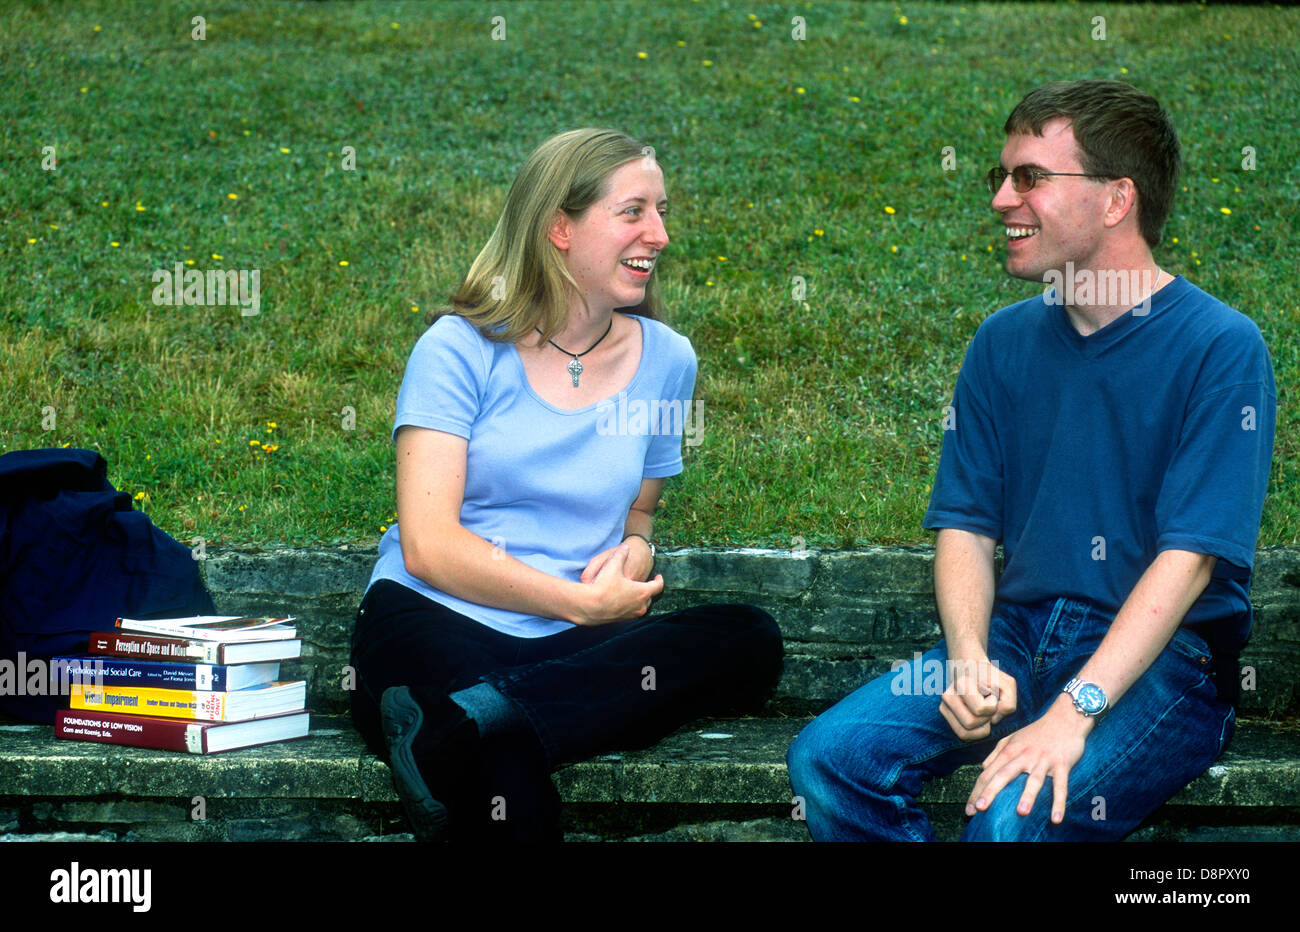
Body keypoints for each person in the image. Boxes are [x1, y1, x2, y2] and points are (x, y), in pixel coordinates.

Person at [787, 80, 1276, 841]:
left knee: (1010, 820)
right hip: (1016, 636)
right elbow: (966, 525)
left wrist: (1074, 711)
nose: (1001, 200)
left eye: (1031, 178)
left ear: (1116, 199)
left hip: (1165, 667)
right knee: (833, 759)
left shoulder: (1219, 347)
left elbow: (1191, 559)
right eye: (1001, 176)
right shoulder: (1002, 344)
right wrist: (970, 657)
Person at [349, 128, 783, 841]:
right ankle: (473, 719)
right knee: (506, 787)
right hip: (437, 622)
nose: (661, 234)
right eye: (634, 211)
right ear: (559, 227)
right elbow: (428, 547)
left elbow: (640, 512)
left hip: (568, 644)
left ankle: (466, 717)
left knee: (747, 638)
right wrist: (584, 604)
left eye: (664, 210)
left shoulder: (668, 360)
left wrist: (635, 557)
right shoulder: (458, 348)